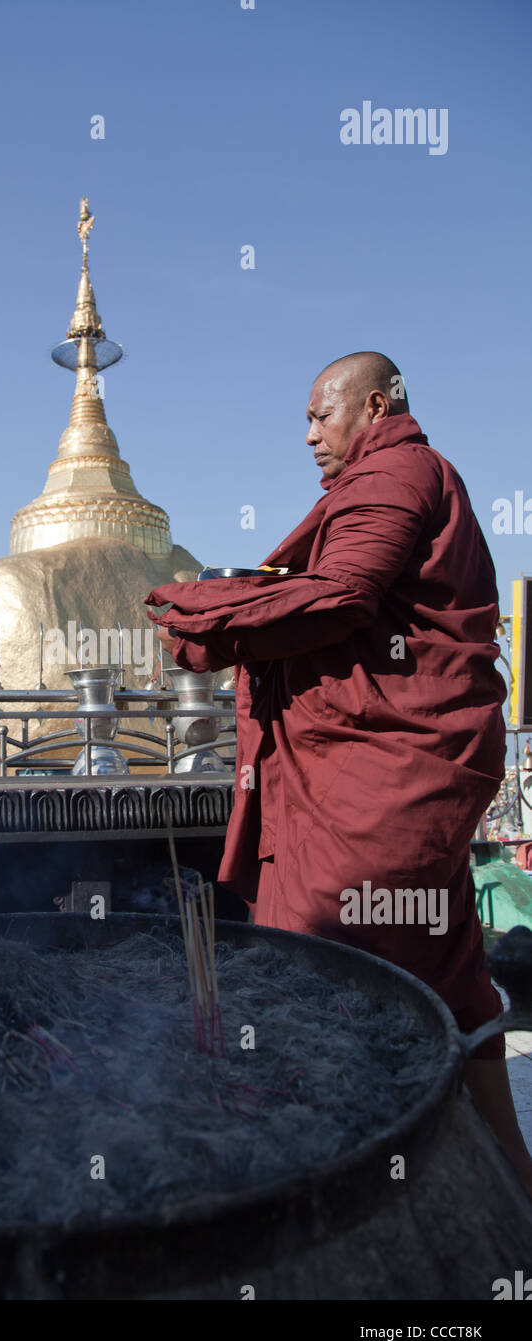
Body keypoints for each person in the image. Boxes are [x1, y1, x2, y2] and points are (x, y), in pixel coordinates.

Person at [147, 352, 532, 1197]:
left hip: (375, 790)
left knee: (326, 972)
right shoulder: (406, 477)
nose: (310, 436)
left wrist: (208, 619)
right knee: (445, 975)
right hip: (380, 776)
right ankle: (506, 1190)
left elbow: (344, 595)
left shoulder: (396, 471)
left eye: (322, 416)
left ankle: (337, 1196)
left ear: (376, 405)